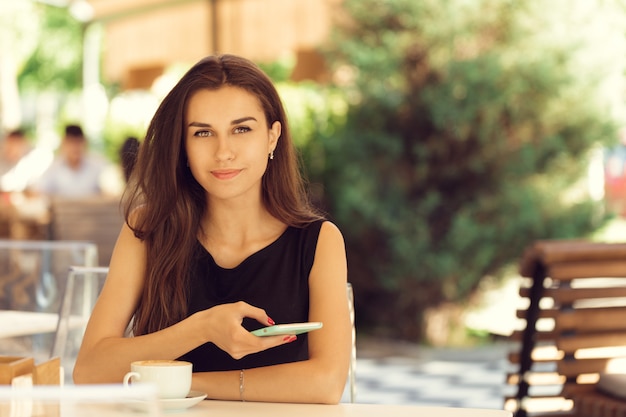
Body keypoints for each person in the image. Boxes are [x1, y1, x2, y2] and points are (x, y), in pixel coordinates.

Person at [73, 54, 351, 404]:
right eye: (203, 133)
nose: (223, 152)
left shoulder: (319, 241)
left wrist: (178, 384)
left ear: (272, 137)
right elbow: (89, 370)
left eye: (241, 129)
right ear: (183, 147)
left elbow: (326, 384)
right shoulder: (148, 230)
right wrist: (202, 328)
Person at [36, 124, 108, 198]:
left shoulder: (98, 165)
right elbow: (40, 190)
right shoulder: (54, 167)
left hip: (93, 209)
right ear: (64, 143)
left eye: (78, 142)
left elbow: (110, 190)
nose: (75, 147)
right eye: (71, 142)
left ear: (85, 142)